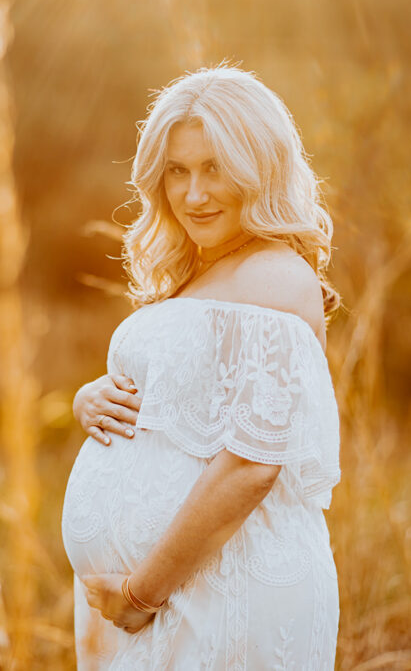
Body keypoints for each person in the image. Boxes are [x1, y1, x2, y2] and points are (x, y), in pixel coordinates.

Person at [61, 65, 341, 669]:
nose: (194, 194)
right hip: (171, 601)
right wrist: (93, 399)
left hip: (216, 595)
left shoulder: (273, 276)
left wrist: (142, 592)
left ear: (260, 166)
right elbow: (180, 408)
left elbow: (250, 467)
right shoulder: (200, 275)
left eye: (215, 167)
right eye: (177, 171)